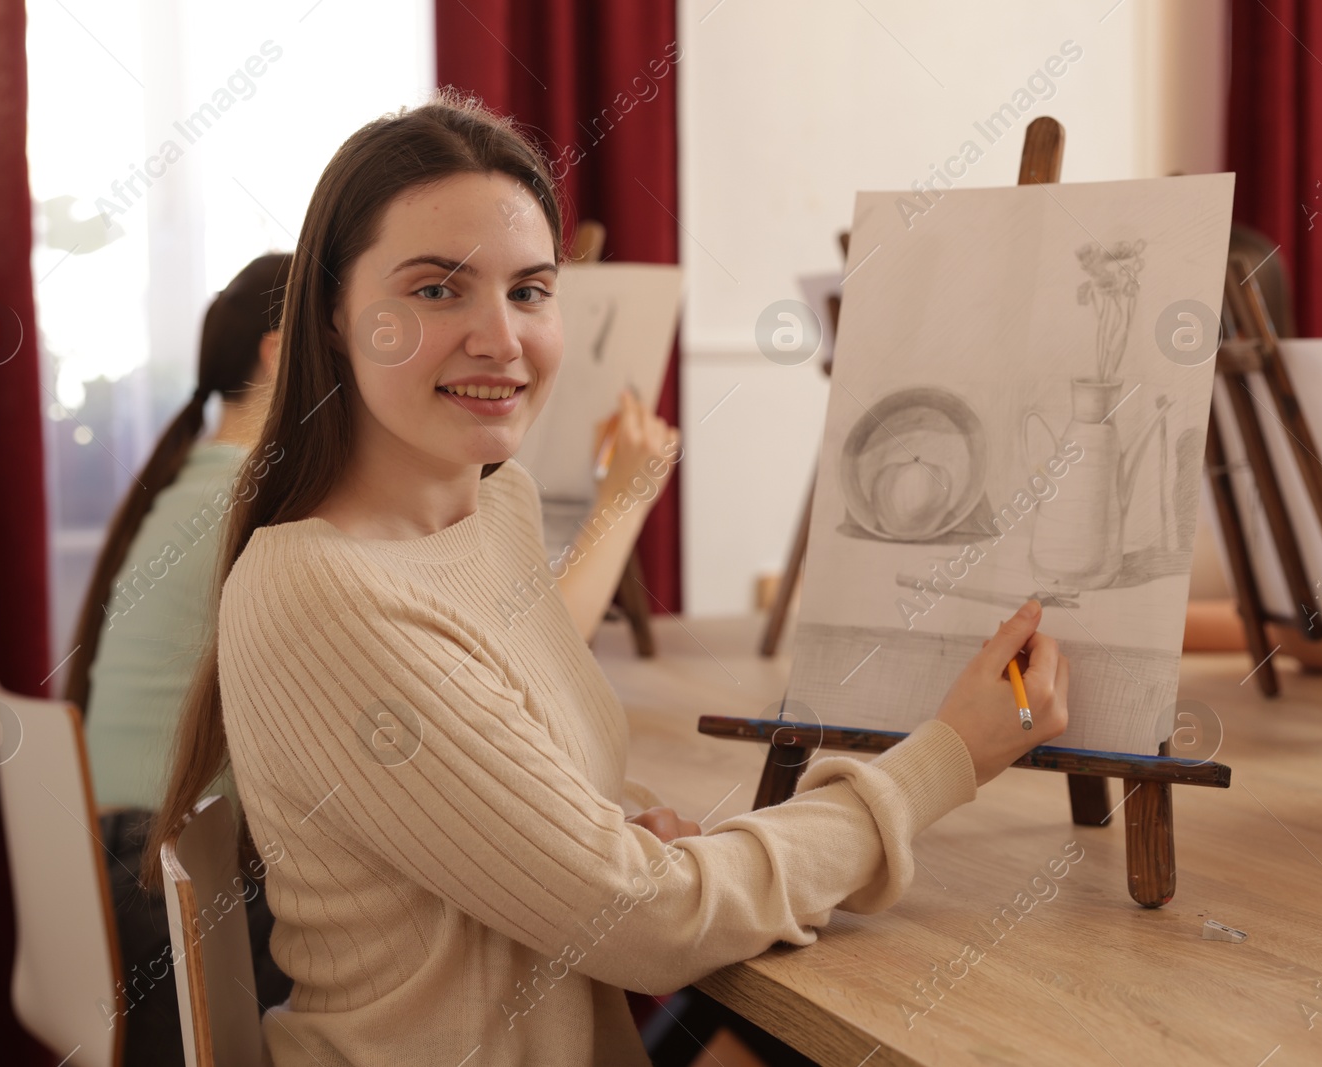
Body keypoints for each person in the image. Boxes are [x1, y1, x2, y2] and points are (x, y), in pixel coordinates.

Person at [146, 93, 1070, 1067]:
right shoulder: (324, 591)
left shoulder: (490, 512)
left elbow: (529, 811)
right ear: (333, 319)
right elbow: (648, 921)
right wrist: (947, 756)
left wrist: (606, 819)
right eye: (435, 290)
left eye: (531, 290)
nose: (500, 338)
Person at [65, 252, 295, 1066]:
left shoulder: (191, 480)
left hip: (113, 863)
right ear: (280, 353)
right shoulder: (253, 499)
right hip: (164, 881)